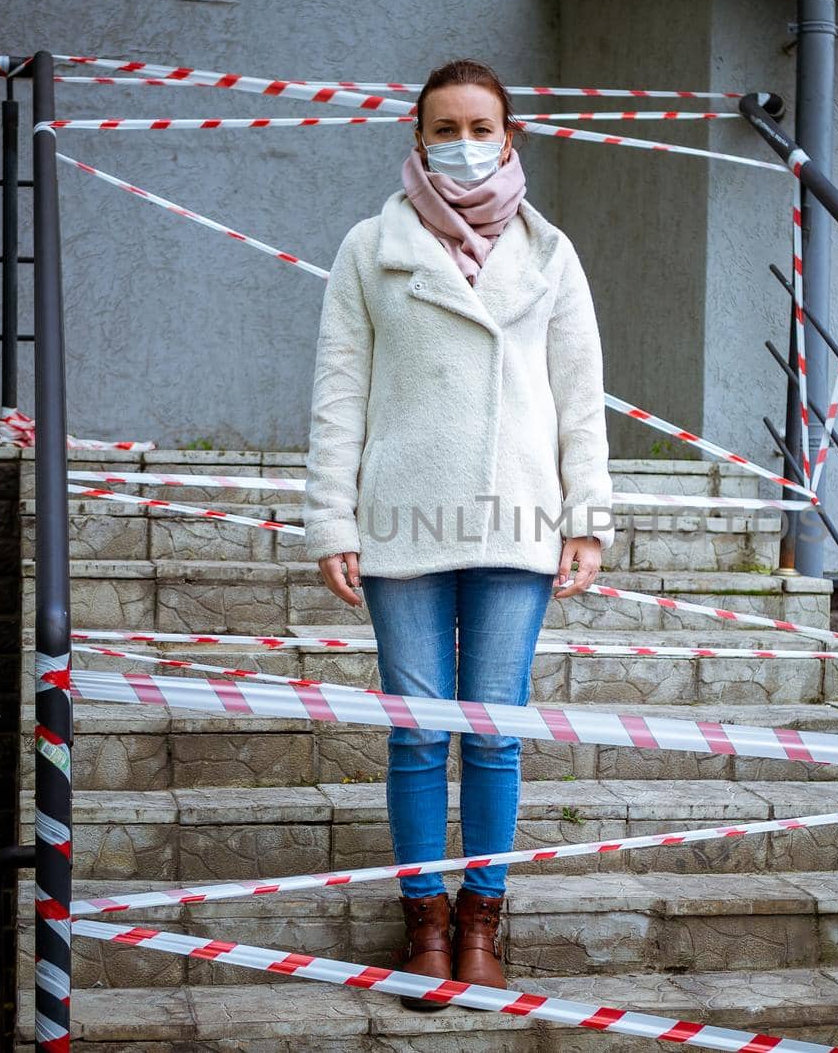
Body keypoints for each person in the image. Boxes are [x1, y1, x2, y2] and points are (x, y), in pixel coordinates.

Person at [303, 57, 615, 1010]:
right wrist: (331, 516)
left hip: (519, 524)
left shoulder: (552, 253)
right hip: (403, 524)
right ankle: (424, 924)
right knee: (414, 735)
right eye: (447, 126)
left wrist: (588, 516)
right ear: (419, 137)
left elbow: (579, 395)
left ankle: (482, 917)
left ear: (510, 137)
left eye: (483, 126)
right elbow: (337, 391)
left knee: (493, 734)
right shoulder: (370, 247)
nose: (466, 143)